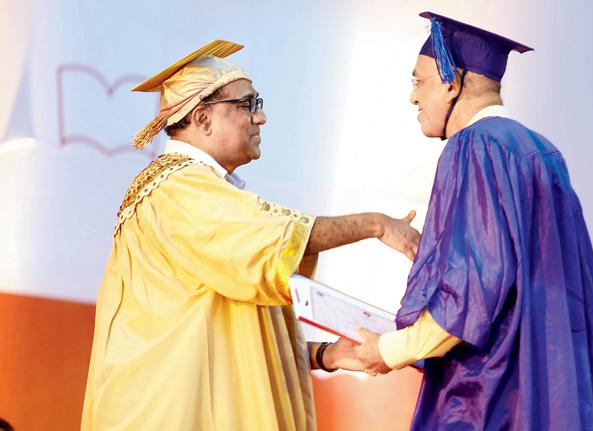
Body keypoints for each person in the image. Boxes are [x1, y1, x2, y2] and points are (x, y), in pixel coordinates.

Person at [81, 40, 420, 431]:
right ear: (202, 117)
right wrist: (375, 224)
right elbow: (274, 244)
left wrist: (324, 355)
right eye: (247, 105)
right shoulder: (179, 189)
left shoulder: (194, 190)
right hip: (174, 412)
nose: (261, 118)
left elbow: (226, 324)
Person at [353, 12, 593, 430]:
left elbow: (470, 295)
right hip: (549, 388)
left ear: (451, 82)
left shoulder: (475, 148)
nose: (413, 98)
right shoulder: (540, 152)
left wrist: (389, 350)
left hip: (489, 398)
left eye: (419, 82)